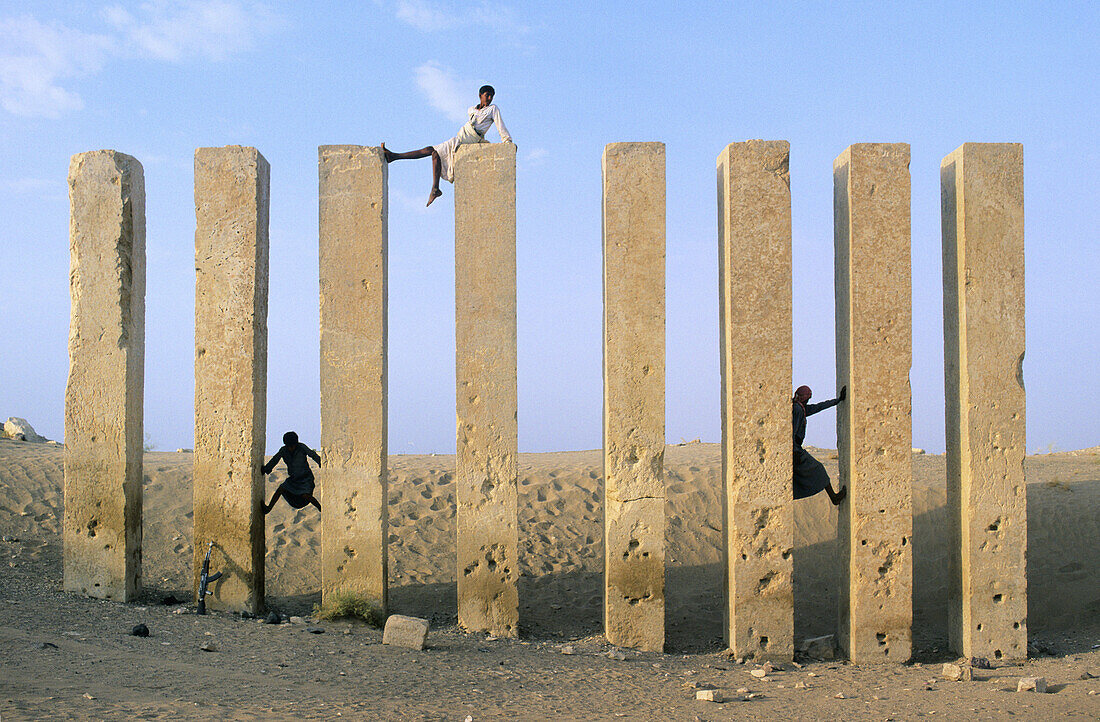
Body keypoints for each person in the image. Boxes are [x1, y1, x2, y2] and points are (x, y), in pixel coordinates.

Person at [382, 84, 514, 207]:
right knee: (432, 152)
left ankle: (433, 187)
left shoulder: (493, 109)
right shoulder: (472, 110)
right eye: (487, 95)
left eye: (492, 96)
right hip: (461, 136)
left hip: (469, 139)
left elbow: (499, 124)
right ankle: (396, 158)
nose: (490, 98)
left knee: (433, 152)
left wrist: (507, 141)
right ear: (480, 95)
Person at [793, 385, 847, 505]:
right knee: (819, 469)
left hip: (796, 449)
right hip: (795, 451)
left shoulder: (801, 407)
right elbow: (792, 433)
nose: (808, 401)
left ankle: (834, 497)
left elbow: (819, 407)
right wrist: (795, 451)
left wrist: (838, 400)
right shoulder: (797, 409)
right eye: (807, 399)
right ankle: (834, 498)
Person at [262, 431, 321, 514]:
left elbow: (312, 454)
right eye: (289, 446)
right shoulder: (283, 450)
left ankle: (321, 508)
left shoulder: (302, 447)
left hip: (306, 479)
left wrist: (320, 462)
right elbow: (275, 459)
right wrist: (266, 469)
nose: (291, 448)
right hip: (293, 480)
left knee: (306, 495)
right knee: (281, 489)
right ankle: (268, 509)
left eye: (293, 446)